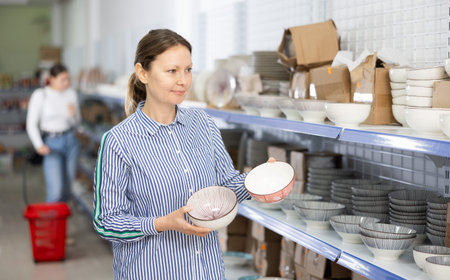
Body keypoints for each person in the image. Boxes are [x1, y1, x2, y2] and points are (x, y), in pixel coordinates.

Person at [93, 29, 255, 279]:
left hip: (206, 272)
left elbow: (226, 186)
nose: (184, 81)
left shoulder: (203, 123)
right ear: (142, 73)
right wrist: (161, 223)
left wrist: (257, 182)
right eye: (172, 71)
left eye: (188, 70)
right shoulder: (119, 142)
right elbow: (106, 222)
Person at [26, 63, 80, 203]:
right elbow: (31, 123)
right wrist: (38, 145)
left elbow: (77, 124)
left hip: (70, 141)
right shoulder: (40, 95)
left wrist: (73, 115)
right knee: (55, 191)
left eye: (68, 79)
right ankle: (52, 223)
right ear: (51, 79)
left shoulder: (71, 94)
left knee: (67, 189)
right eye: (63, 79)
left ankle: (60, 222)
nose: (66, 82)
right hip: (51, 144)